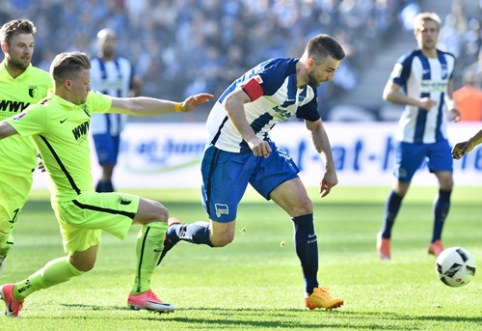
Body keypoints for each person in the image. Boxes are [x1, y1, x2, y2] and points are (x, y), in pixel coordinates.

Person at [0, 51, 213, 317]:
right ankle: (140, 292)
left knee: (82, 263)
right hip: (74, 202)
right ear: (68, 84)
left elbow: (132, 105)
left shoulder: (86, 102)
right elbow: (3, 130)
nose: (90, 88)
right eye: (86, 83)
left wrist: (179, 106)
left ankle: (16, 292)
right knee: (158, 214)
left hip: (79, 200)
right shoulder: (43, 112)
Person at [158, 34, 345, 310]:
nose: (331, 76)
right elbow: (232, 101)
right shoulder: (276, 75)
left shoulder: (307, 89)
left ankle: (313, 291)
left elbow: (315, 127)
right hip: (227, 150)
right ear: (310, 63)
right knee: (221, 237)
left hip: (260, 149)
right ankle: (174, 232)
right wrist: (251, 138)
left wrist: (329, 165)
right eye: (329, 69)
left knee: (303, 206)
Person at [376, 12, 461, 261]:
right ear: (416, 33)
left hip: (437, 135)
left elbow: (447, 84)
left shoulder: (448, 60)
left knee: (447, 182)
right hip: (410, 136)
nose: (429, 34)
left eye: (433, 29)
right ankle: (385, 236)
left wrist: (450, 103)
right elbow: (388, 93)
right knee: (401, 188)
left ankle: (436, 240)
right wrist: (417, 102)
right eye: (424, 30)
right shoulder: (408, 61)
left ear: (439, 32)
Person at [0, 19, 52, 277]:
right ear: (5, 47)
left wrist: (50, 150)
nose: (27, 51)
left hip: (19, 171)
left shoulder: (45, 83)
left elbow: (60, 118)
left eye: (30, 45)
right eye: (21, 45)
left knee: (2, 237)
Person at [90, 28, 142, 193]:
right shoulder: (90, 66)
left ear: (116, 43)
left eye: (111, 39)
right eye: (105, 39)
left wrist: (138, 89)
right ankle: (107, 190)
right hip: (99, 120)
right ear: (98, 43)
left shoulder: (125, 65)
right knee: (107, 162)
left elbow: (133, 92)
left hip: (118, 121)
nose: (108, 43)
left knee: (111, 162)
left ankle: (101, 190)